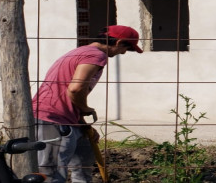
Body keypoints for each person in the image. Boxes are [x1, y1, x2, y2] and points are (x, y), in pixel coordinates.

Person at [33, 25, 142, 183]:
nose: (124, 53)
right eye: (127, 48)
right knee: (52, 173)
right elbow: (75, 89)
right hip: (52, 119)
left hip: (63, 118)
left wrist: (81, 123)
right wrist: (85, 109)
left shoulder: (80, 51)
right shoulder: (96, 56)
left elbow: (66, 92)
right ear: (118, 43)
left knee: (84, 157)